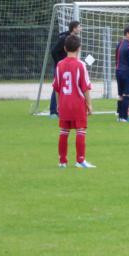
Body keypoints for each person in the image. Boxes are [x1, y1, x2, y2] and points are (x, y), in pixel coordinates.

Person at [52, 35, 94, 168]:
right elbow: (85, 87)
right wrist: (90, 105)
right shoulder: (81, 65)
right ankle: (80, 160)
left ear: (65, 48)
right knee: (80, 131)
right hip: (77, 104)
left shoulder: (59, 65)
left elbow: (56, 88)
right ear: (79, 48)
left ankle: (62, 162)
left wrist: (58, 104)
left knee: (64, 131)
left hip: (64, 104)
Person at [49, 21, 82, 118]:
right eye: (79, 27)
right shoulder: (64, 39)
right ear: (74, 28)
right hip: (61, 67)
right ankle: (53, 111)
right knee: (57, 87)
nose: (81, 29)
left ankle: (65, 109)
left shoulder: (75, 39)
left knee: (68, 87)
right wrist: (58, 63)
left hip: (69, 67)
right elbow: (54, 51)